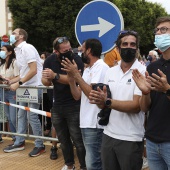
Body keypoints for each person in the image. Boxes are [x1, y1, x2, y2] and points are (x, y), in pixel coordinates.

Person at [89, 31, 146, 170]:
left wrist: (107, 101)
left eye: (133, 44)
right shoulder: (110, 71)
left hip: (131, 138)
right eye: (125, 44)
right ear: (118, 48)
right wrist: (99, 100)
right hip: (108, 134)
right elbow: (104, 104)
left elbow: (136, 106)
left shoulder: (142, 71)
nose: (129, 47)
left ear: (137, 49)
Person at [61, 38, 109, 170]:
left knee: (94, 163)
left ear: (89, 50)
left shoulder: (101, 67)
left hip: (95, 123)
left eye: (82, 49)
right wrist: (71, 79)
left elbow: (93, 94)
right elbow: (77, 96)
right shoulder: (88, 69)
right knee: (91, 162)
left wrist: (77, 75)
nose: (80, 52)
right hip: (86, 122)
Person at [42, 37, 86, 170]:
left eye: (69, 49)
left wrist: (55, 76)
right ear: (56, 51)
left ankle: (84, 166)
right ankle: (69, 164)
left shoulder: (76, 60)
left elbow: (74, 79)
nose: (68, 52)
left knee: (78, 140)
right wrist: (48, 79)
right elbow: (44, 81)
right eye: (64, 50)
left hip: (74, 105)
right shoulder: (50, 60)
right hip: (57, 105)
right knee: (63, 140)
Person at [132, 16, 170, 170]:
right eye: (158, 30)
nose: (159, 33)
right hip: (153, 141)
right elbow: (144, 108)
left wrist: (167, 89)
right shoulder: (153, 67)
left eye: (165, 30)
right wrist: (145, 93)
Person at [3, 28, 45, 157]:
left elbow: (33, 70)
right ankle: (20, 141)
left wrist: (18, 83)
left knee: (31, 116)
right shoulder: (17, 50)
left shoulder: (27, 48)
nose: (11, 35)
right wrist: (11, 81)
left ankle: (39, 145)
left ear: (21, 36)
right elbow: (23, 73)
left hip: (34, 87)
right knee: (21, 115)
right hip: (25, 87)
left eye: (14, 33)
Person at [0, 45, 19, 142]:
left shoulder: (14, 62)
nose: (1, 51)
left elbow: (19, 77)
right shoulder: (2, 65)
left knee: (13, 117)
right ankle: (15, 137)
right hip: (3, 92)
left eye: (3, 50)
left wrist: (9, 80)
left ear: (10, 52)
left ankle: (19, 136)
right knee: (8, 116)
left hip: (12, 92)